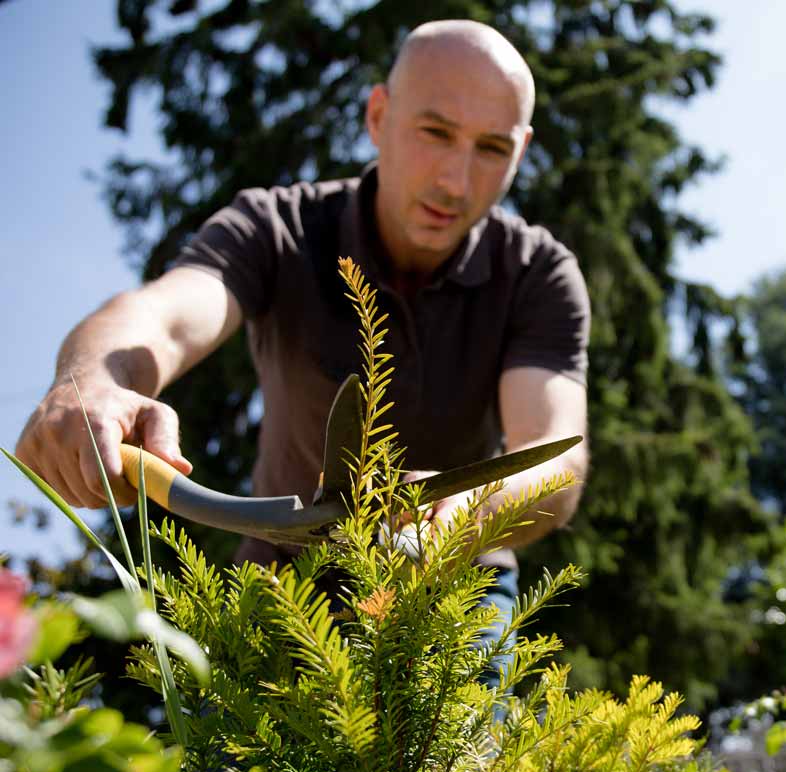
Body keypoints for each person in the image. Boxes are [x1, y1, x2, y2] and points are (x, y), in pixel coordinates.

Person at [16, 20, 590, 684]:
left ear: (522, 150)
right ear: (379, 114)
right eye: (435, 133)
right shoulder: (275, 229)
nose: (457, 182)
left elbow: (556, 454)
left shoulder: (537, 275)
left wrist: (462, 510)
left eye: (492, 148)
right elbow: (165, 317)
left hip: (452, 588)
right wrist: (93, 381)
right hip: (281, 589)